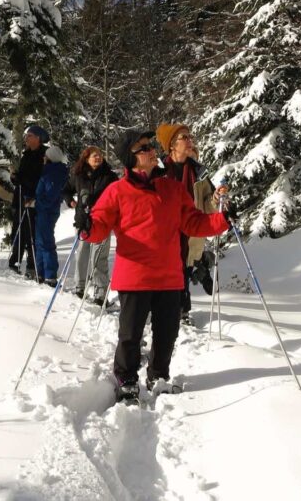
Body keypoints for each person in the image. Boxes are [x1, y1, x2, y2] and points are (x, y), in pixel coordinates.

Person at [78, 130, 232, 404]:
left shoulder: (172, 189)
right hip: (134, 276)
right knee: (130, 335)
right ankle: (126, 379)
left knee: (167, 333)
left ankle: (158, 376)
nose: (151, 150)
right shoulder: (117, 191)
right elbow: (99, 228)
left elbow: (194, 223)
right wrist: (87, 226)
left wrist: (222, 220)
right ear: (131, 159)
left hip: (169, 276)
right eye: (143, 148)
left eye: (150, 146)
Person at [157, 123, 220, 325]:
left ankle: (182, 311)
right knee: (165, 271)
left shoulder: (198, 172)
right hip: (165, 230)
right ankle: (159, 309)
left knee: (183, 268)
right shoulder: (159, 170)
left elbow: (208, 205)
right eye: (184, 136)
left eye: (189, 135)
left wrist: (216, 199)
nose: (189, 139)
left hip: (189, 230)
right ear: (172, 145)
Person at [63, 146, 118, 305]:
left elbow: (118, 196)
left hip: (102, 221)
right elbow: (66, 190)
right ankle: (79, 287)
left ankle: (100, 294)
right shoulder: (79, 175)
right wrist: (70, 201)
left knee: (99, 257)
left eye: (100, 155)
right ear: (86, 158)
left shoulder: (109, 176)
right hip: (82, 220)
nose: (98, 158)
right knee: (82, 254)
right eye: (95, 156)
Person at [9, 125, 48, 277]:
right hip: (20, 198)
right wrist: (16, 178)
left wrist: (21, 179)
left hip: (33, 199)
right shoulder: (26, 154)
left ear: (38, 138)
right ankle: (15, 261)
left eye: (29, 136)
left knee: (31, 232)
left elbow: (39, 178)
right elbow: (24, 177)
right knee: (18, 230)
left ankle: (32, 265)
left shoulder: (43, 155)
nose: (26, 138)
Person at [33, 145, 68, 286]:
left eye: (46, 156)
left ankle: (50, 275)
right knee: (40, 241)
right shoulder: (50, 171)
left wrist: (38, 202)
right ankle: (40, 272)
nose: (43, 158)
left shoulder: (53, 172)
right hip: (43, 210)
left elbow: (50, 196)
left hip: (46, 211)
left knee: (46, 242)